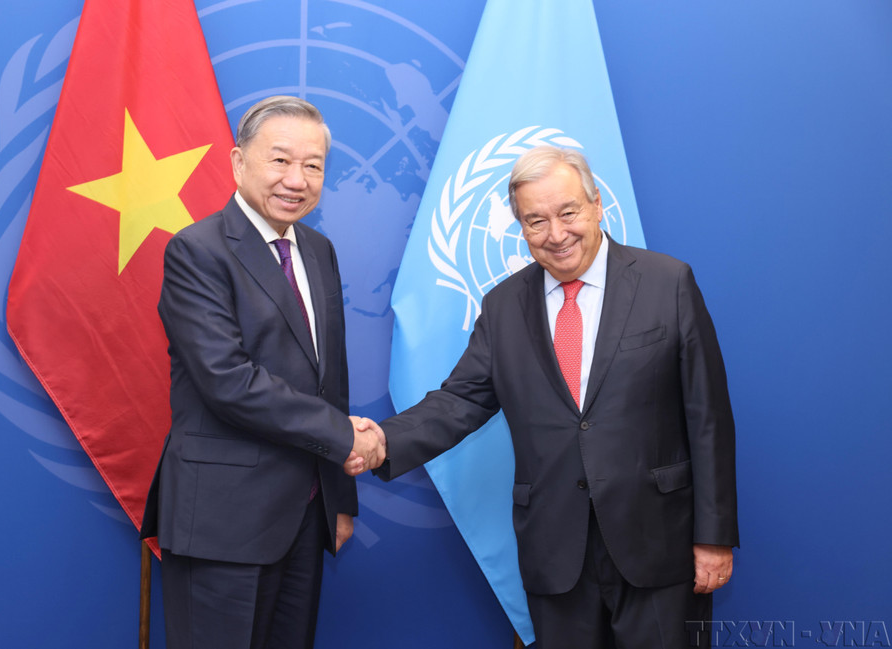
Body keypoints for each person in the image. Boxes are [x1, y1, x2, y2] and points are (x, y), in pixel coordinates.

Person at [351, 146, 738, 648]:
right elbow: (459, 401)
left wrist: (713, 536)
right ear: (520, 226)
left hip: (659, 545)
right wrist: (383, 438)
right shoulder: (504, 306)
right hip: (557, 556)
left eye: (568, 212)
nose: (556, 235)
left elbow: (708, 418)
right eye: (536, 221)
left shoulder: (669, 283)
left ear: (597, 204)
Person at [140, 95, 383, 649]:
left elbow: (330, 379)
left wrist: (340, 499)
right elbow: (228, 380)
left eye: (314, 165)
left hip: (305, 516)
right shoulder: (196, 251)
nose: (296, 179)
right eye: (279, 160)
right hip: (222, 521)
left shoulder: (318, 250)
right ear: (237, 162)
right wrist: (346, 435)